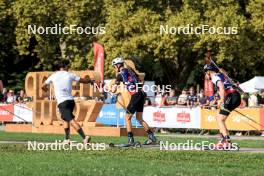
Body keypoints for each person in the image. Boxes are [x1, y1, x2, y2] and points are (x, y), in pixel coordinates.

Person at [41, 60, 94, 144]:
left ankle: (85, 137)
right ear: (64, 66)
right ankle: (67, 139)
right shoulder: (70, 74)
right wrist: (90, 81)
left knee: (71, 120)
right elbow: (83, 80)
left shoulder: (53, 75)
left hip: (62, 102)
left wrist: (46, 90)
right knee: (65, 119)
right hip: (71, 101)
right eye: (68, 66)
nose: (68, 67)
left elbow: (42, 86)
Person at [111, 57, 156, 146]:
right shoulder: (131, 71)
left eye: (114, 66)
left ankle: (131, 140)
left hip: (136, 95)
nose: (114, 68)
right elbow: (141, 81)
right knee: (139, 118)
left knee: (127, 118)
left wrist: (110, 90)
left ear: (118, 65)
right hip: (142, 93)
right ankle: (152, 137)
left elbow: (113, 90)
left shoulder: (120, 75)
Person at [204, 64, 241, 149]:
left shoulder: (214, 77)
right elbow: (227, 80)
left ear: (208, 72)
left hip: (231, 96)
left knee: (220, 119)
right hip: (234, 96)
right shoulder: (221, 75)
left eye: (205, 73)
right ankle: (224, 140)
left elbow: (221, 87)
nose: (205, 75)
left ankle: (226, 142)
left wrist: (222, 100)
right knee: (218, 117)